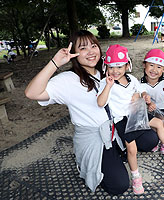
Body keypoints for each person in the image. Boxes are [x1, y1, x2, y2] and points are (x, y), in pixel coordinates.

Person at [24, 30, 131, 195]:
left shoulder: (106, 71)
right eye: (83, 48)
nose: (90, 51)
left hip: (113, 129)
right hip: (94, 138)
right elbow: (32, 93)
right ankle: (85, 163)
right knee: (119, 185)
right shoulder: (68, 79)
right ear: (74, 52)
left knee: (147, 140)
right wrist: (55, 63)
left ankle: (115, 152)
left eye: (93, 46)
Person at [97, 45, 164, 194]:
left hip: (136, 113)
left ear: (127, 65)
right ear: (105, 67)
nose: (115, 71)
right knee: (131, 150)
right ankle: (136, 177)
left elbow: (141, 90)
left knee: (159, 122)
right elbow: (100, 103)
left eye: (119, 66)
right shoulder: (106, 82)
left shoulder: (132, 79)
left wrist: (142, 96)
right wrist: (108, 85)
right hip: (122, 119)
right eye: (111, 67)